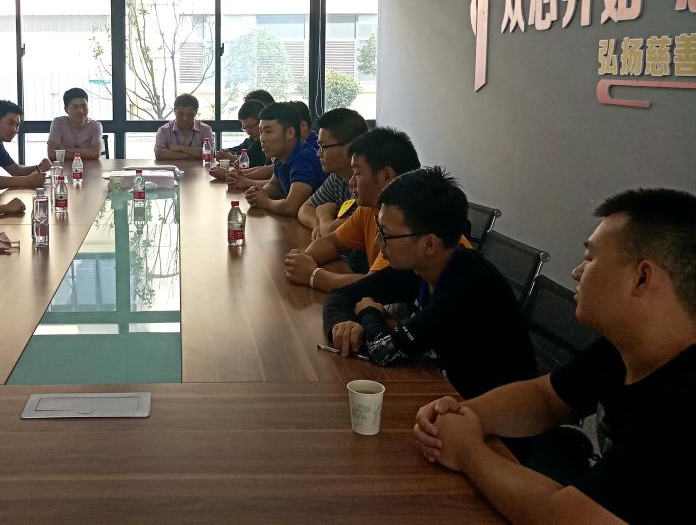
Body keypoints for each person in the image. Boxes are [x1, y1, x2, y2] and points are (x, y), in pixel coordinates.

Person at [413, 188, 696, 524]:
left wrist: (467, 452)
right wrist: (463, 415)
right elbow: (546, 398)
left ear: (642, 278)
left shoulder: (684, 403)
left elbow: (568, 517)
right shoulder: (624, 345)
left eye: (590, 258)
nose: (576, 272)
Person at [322, 167, 536, 399]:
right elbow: (341, 294)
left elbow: (383, 350)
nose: (377, 242)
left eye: (385, 234)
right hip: (441, 393)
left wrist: (369, 311)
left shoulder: (467, 286)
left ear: (430, 244)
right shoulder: (421, 265)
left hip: (485, 411)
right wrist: (342, 323)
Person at [283, 126, 425, 291]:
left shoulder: (406, 221)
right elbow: (333, 242)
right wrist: (304, 259)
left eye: (357, 174)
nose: (351, 183)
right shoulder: (369, 208)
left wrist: (313, 275)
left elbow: (377, 285)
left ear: (386, 175)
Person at [243, 102, 327, 218]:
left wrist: (265, 202)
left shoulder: (304, 158)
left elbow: (292, 207)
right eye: (261, 132)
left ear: (290, 133)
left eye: (268, 131)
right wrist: (258, 193)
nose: (262, 139)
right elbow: (274, 186)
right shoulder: (281, 156)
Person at [297, 108, 368, 238]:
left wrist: (323, 215)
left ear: (351, 147)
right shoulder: (338, 177)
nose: (318, 153)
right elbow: (305, 209)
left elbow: (333, 233)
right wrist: (317, 225)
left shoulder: (367, 184)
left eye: (323, 146)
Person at [211, 100, 267, 176]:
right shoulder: (255, 141)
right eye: (245, 128)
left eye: (251, 126)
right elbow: (241, 152)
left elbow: (266, 170)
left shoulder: (267, 143)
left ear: (262, 122)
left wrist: (228, 174)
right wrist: (225, 154)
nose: (248, 132)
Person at [47, 87, 103, 161]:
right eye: (75, 107)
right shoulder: (58, 123)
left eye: (84, 106)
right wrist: (87, 153)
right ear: (66, 109)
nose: (81, 111)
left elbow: (95, 153)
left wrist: (64, 150)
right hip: (64, 167)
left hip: (89, 167)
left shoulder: (95, 126)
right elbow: (51, 154)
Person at [154, 94, 214, 161]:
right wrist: (192, 155)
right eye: (181, 114)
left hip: (199, 168)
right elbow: (159, 153)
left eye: (190, 114)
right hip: (172, 167)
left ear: (196, 112)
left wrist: (181, 148)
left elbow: (211, 153)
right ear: (174, 111)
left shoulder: (205, 129)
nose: (185, 118)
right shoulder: (164, 130)